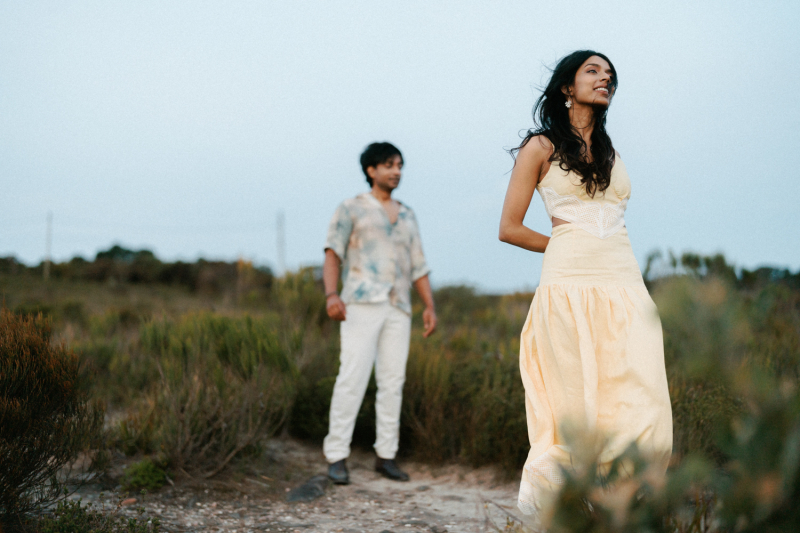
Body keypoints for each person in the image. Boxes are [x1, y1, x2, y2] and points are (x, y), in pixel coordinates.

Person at [498, 51, 673, 525]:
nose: (604, 79)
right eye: (592, 71)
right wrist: (564, 243)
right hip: (568, 286)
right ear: (566, 87)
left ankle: (624, 503)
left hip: (625, 283)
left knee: (644, 399)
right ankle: (571, 513)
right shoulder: (540, 147)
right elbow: (509, 227)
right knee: (574, 404)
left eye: (609, 75)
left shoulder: (612, 151)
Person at [322, 141, 437, 485]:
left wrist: (429, 306)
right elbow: (332, 253)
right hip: (361, 303)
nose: (396, 171)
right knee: (352, 378)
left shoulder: (408, 214)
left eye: (399, 165)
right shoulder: (351, 208)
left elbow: (418, 264)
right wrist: (331, 294)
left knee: (392, 382)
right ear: (371, 170)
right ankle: (336, 456)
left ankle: (386, 456)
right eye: (389, 165)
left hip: (398, 306)